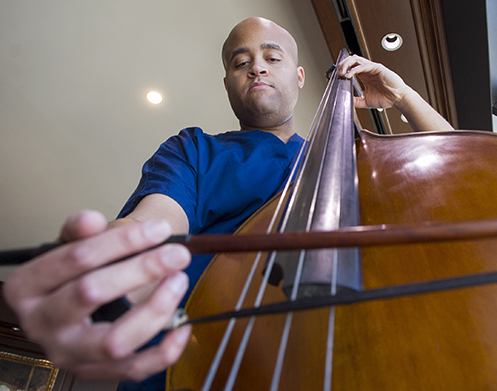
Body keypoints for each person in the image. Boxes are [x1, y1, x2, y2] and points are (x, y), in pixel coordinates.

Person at [3, 16, 454, 389]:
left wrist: (403, 97)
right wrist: (108, 268)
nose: (257, 67)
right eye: (242, 62)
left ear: (299, 77)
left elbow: (465, 173)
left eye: (272, 58)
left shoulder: (352, 160)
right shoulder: (194, 149)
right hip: (197, 366)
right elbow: (156, 223)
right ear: (227, 83)